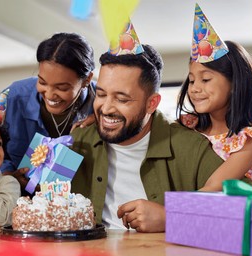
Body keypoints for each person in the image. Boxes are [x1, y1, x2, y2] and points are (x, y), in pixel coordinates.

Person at [70, 41, 224, 233]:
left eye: (122, 99)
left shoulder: (190, 147)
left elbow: (250, 209)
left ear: (152, 103)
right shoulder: (78, 140)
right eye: (101, 95)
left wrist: (173, 217)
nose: (107, 108)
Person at [176, 5, 252, 191]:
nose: (195, 88)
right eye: (191, 81)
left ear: (234, 83)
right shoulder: (189, 126)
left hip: (242, 219)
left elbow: (214, 187)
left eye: (205, 79)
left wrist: (168, 214)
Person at [0, 32, 96, 194]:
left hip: (80, 204)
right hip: (16, 203)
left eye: (62, 88)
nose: (50, 95)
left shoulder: (104, 104)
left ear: (87, 80)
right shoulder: (13, 96)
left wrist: (105, 120)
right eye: (42, 82)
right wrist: (8, 176)